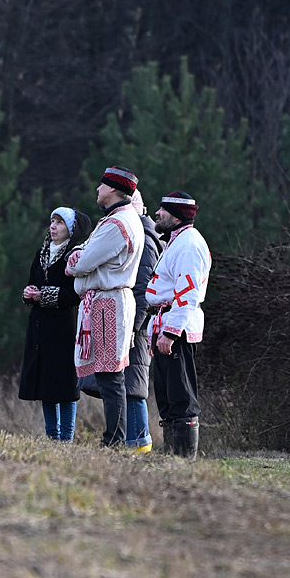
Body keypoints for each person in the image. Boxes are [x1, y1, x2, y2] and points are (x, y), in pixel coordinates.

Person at [65, 166, 145, 446]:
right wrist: (80, 255)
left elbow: (82, 262)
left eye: (101, 185)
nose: (97, 190)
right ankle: (115, 438)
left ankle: (114, 440)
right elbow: (85, 253)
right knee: (109, 374)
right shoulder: (119, 219)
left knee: (111, 376)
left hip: (108, 304)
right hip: (107, 302)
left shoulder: (117, 224)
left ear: (112, 189)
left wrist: (75, 259)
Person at [144, 190, 211, 458]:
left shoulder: (189, 244)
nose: (157, 213)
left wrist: (170, 333)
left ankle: (183, 460)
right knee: (169, 396)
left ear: (176, 215)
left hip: (176, 331)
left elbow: (188, 294)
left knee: (181, 397)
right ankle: (173, 457)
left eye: (163, 209)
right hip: (165, 325)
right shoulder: (177, 241)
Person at [19, 207, 93, 441]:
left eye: (59, 222)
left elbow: (76, 294)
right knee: (45, 384)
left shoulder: (76, 255)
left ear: (71, 229)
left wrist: (46, 295)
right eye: (52, 221)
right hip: (40, 327)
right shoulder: (41, 254)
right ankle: (52, 436)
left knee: (66, 385)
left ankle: (67, 437)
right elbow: (33, 283)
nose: (53, 226)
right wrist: (28, 292)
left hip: (65, 327)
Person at [121, 190, 162, 454]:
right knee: (128, 382)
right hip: (135, 321)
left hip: (137, 323)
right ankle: (134, 441)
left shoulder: (145, 240)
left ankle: (140, 442)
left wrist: (133, 328)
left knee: (133, 384)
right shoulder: (142, 234)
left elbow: (143, 290)